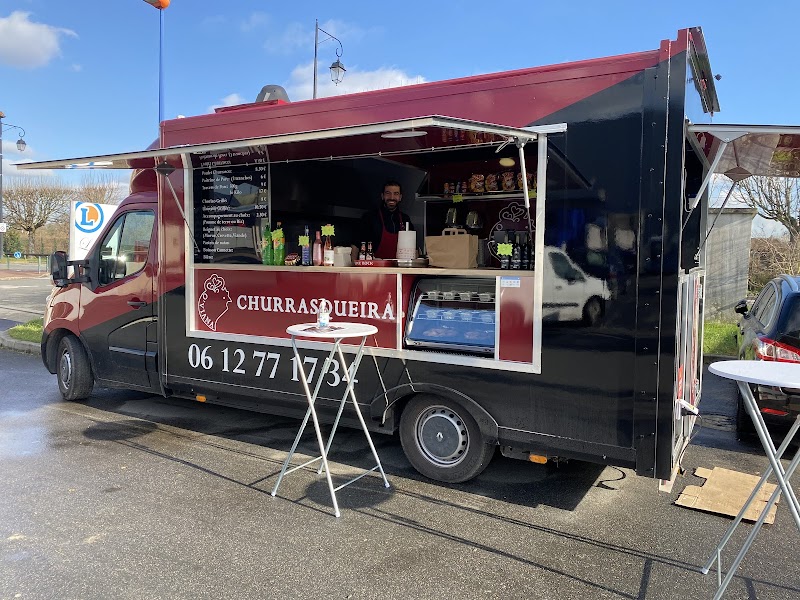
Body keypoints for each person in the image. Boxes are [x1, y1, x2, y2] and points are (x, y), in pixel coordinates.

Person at [352, 180, 415, 260]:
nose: (392, 197)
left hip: (401, 269)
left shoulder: (405, 219)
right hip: (376, 269)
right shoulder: (370, 217)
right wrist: (352, 267)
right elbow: (356, 244)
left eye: (396, 194)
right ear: (382, 196)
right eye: (388, 193)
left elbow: (414, 249)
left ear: (400, 197)